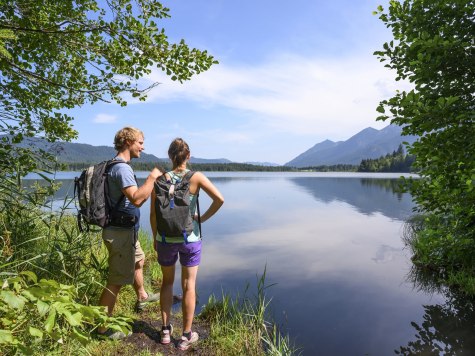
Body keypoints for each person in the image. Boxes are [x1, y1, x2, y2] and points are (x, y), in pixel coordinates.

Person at [150, 138, 224, 350]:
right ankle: (185, 336)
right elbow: (219, 199)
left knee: (166, 283)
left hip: (164, 239)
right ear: (188, 156)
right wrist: (201, 218)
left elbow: (153, 215)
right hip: (190, 239)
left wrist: (156, 237)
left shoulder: (160, 179)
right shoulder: (196, 177)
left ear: (170, 156)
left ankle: (165, 331)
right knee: (188, 285)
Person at [97, 126, 163, 339]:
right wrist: (152, 178)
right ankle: (101, 329)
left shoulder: (117, 166)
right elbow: (136, 198)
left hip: (126, 231)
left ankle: (142, 296)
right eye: (140, 142)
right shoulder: (122, 169)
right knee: (115, 281)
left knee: (138, 260)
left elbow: (137, 200)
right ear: (128, 142)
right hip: (119, 234)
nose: (143, 147)